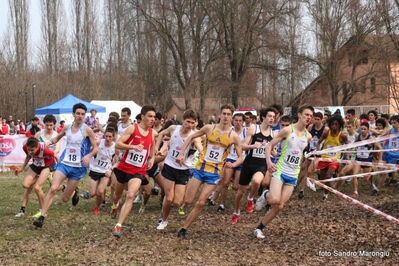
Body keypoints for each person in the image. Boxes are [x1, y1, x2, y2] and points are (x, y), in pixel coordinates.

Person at [175, 104, 244, 239]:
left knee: (200, 202)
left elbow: (241, 157)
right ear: (220, 114)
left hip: (214, 174)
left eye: (228, 114)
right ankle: (184, 204)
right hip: (200, 169)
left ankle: (184, 228)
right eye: (224, 113)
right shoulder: (209, 128)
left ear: (231, 116)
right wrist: (181, 153)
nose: (225, 116)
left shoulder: (233, 136)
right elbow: (190, 137)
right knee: (188, 200)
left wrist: (233, 164)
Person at [33, 103, 98, 228]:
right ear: (73, 114)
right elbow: (57, 137)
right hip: (64, 163)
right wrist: (49, 142)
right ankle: (42, 217)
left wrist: (88, 156)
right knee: (53, 188)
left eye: (83, 114)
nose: (80, 116)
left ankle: (73, 193)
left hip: (77, 167)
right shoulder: (67, 128)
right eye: (78, 113)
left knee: (65, 199)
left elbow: (95, 148)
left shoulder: (87, 130)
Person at [253, 105, 314, 239]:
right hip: (280, 170)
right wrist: (269, 162)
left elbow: (299, 153)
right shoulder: (287, 130)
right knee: (274, 199)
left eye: (310, 116)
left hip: (293, 174)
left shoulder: (308, 136)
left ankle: (259, 228)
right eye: (306, 114)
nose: (308, 117)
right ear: (299, 115)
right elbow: (269, 146)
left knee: (280, 206)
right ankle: (265, 194)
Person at [111, 105, 157, 237]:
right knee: (117, 196)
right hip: (124, 168)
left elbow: (152, 144)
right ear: (142, 117)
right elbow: (118, 144)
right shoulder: (133, 129)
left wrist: (152, 157)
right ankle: (115, 205)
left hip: (138, 170)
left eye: (154, 117)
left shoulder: (153, 132)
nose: (152, 119)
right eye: (150, 116)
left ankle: (118, 226)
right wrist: (133, 146)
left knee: (131, 195)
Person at [155, 109, 202, 230]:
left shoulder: (194, 136)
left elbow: (200, 148)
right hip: (170, 166)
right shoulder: (173, 128)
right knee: (169, 198)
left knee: (177, 202)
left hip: (183, 170)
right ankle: (163, 220)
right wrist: (156, 147)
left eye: (192, 123)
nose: (190, 125)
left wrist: (203, 154)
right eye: (188, 122)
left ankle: (165, 213)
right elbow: (160, 134)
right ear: (182, 120)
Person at [229, 107, 276, 225]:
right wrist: (253, 146)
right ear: (263, 117)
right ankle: (236, 212)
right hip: (249, 162)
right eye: (269, 116)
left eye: (274, 117)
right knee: (240, 192)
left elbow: (273, 151)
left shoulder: (273, 133)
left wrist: (274, 153)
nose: (272, 119)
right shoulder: (254, 128)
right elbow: (242, 145)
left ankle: (251, 198)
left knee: (256, 182)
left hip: (261, 164)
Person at [208, 113, 246, 212]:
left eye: (240, 121)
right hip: (229, 158)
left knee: (236, 186)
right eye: (236, 120)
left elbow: (246, 145)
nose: (238, 122)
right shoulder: (229, 131)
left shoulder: (246, 132)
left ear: (243, 122)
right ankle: (221, 205)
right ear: (233, 121)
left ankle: (219, 194)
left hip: (240, 160)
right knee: (225, 183)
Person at [14, 137, 58, 217]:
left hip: (47, 165)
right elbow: (28, 156)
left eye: (32, 150)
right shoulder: (25, 147)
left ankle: (42, 211)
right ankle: (45, 177)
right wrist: (22, 168)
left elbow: (56, 156)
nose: (30, 152)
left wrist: (59, 170)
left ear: (37, 147)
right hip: (36, 164)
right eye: (29, 149)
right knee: (25, 185)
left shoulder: (45, 149)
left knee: (37, 188)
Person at [85, 127, 119, 214]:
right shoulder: (98, 142)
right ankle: (100, 198)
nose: (107, 138)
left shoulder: (115, 147)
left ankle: (97, 207)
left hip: (106, 171)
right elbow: (89, 148)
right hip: (95, 169)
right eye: (106, 136)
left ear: (113, 137)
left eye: (109, 137)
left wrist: (111, 170)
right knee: (92, 194)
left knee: (100, 191)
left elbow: (117, 162)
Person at [316, 115, 348, 200]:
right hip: (324, 158)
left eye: (336, 124)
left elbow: (348, 146)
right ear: (330, 125)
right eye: (332, 124)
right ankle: (328, 188)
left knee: (328, 176)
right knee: (323, 179)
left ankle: (325, 194)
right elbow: (318, 143)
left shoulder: (342, 135)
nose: (334, 126)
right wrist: (318, 151)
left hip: (334, 159)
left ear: (339, 125)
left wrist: (347, 157)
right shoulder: (327, 133)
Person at [297, 112, 326, 198]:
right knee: (303, 168)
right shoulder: (310, 127)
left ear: (322, 119)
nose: (316, 121)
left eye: (318, 119)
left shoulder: (325, 129)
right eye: (315, 119)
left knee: (309, 171)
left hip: (319, 154)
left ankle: (303, 190)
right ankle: (295, 186)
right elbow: (306, 138)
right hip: (310, 152)